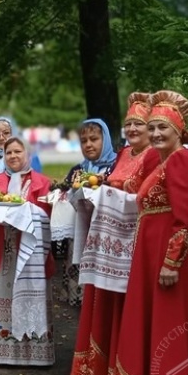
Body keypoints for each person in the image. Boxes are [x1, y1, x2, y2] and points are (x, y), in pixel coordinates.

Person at [114, 91, 188, 375]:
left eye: (163, 127)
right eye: (151, 127)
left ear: (178, 130)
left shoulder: (181, 162)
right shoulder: (161, 163)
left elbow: (185, 218)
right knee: (157, 317)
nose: (154, 133)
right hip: (152, 254)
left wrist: (171, 262)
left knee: (171, 318)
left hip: (169, 255)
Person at [71, 93, 161, 375]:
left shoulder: (154, 156)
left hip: (134, 244)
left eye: (140, 124)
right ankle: (99, 364)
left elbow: (149, 197)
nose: (133, 129)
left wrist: (108, 192)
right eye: (129, 124)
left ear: (151, 128)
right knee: (103, 303)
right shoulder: (123, 154)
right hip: (109, 246)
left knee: (127, 306)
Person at [0, 137, 54, 367]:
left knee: (32, 296)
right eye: (8, 152)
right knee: (1, 295)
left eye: (17, 151)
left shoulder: (42, 182)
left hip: (31, 250)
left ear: (27, 153)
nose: (13, 156)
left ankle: (35, 355)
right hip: (2, 248)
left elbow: (47, 215)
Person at [60, 118, 118, 307]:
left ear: (106, 139)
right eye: (84, 141)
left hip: (107, 236)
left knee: (104, 299)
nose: (89, 144)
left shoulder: (116, 168)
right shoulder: (77, 171)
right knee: (81, 299)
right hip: (80, 235)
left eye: (94, 139)